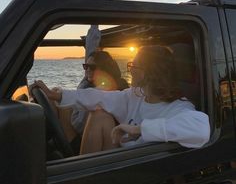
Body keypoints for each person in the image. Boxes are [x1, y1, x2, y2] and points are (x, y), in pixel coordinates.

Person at [33, 45, 210, 155]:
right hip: (119, 159)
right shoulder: (136, 95)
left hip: (139, 173)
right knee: (99, 114)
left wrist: (138, 129)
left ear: (150, 73)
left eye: (133, 65)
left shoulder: (178, 107)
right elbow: (101, 96)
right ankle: (83, 176)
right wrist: (60, 95)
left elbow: (201, 129)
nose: (129, 70)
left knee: (99, 116)